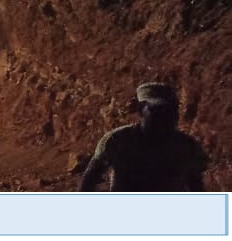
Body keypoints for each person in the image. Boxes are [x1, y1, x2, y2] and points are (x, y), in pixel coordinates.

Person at [79, 82, 208, 191]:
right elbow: (88, 182)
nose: (165, 116)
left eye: (171, 110)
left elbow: (196, 187)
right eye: (157, 110)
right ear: (141, 109)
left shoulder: (186, 147)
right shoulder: (116, 141)